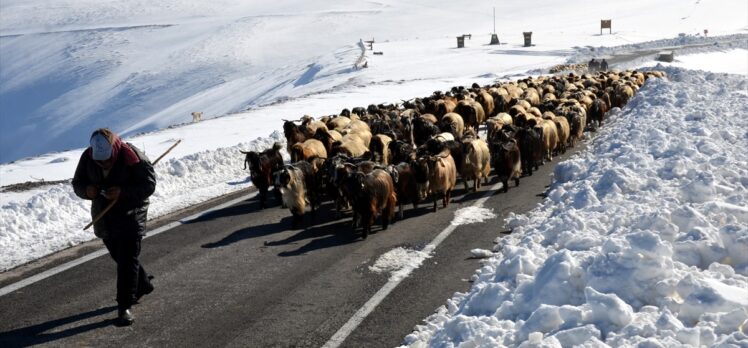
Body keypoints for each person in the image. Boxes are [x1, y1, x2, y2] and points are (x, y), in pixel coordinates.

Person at [72, 128, 156, 326]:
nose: (103, 163)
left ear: (115, 148)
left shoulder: (133, 156)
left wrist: (123, 192)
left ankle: (124, 306)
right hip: (104, 215)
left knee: (127, 259)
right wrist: (87, 190)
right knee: (120, 256)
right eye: (99, 161)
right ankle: (142, 284)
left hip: (131, 213)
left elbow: (148, 185)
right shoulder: (87, 157)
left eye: (107, 159)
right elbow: (78, 183)